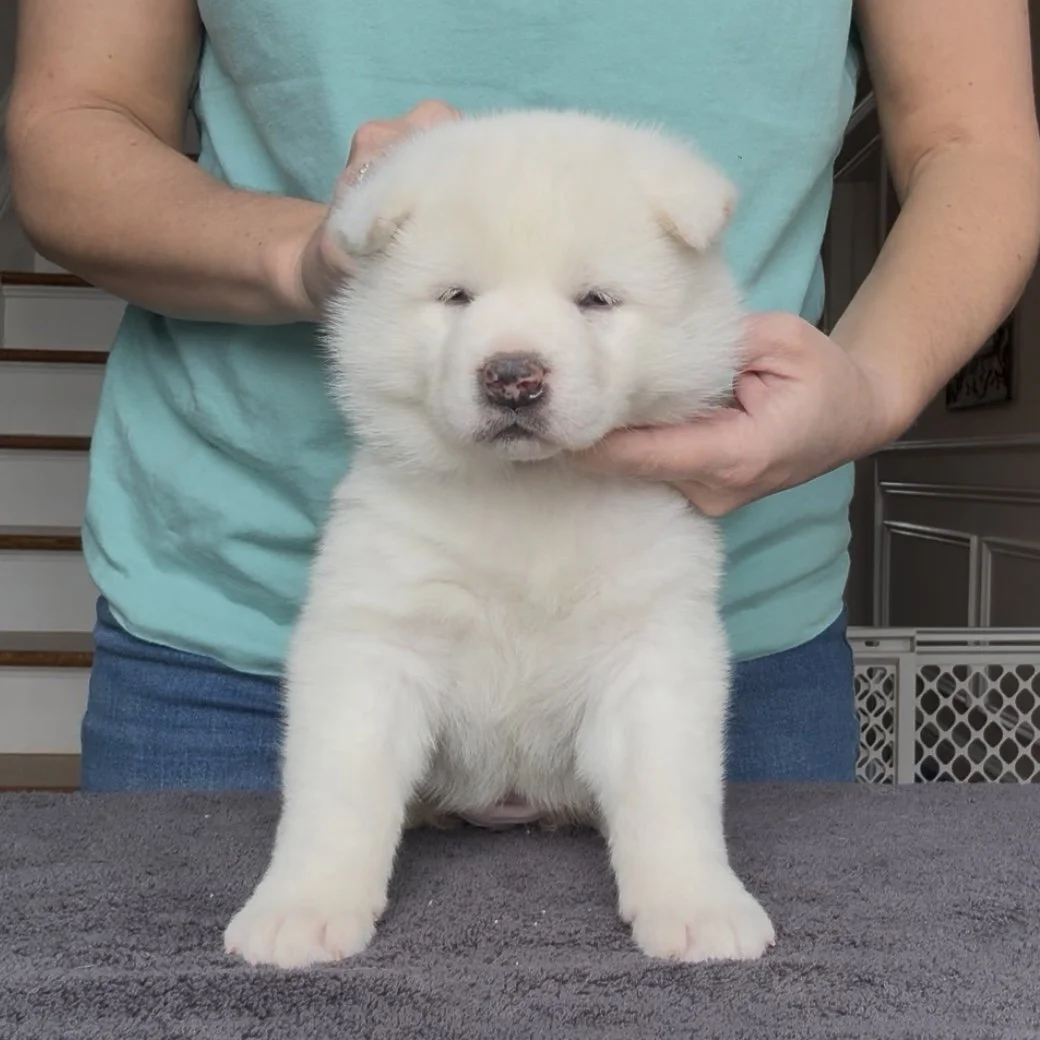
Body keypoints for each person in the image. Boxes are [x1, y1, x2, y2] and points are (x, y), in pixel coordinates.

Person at [6, 0, 1039, 792]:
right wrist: (305, 258)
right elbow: (73, 118)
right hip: (248, 626)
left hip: (701, 623)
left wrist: (872, 384)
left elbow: (973, 141)